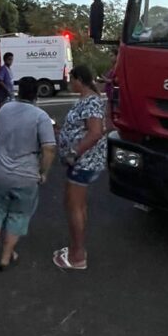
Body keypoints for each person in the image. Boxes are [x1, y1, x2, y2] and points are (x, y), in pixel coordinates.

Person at [0, 76, 57, 273]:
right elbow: (49, 148)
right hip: (25, 176)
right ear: (36, 94)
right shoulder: (41, 117)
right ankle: (6, 258)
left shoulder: (4, 109)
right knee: (18, 215)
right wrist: (43, 172)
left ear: (18, 91)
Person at [53, 65, 107, 271]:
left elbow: (95, 132)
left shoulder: (91, 101)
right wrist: (60, 131)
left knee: (73, 206)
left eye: (71, 79)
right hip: (82, 162)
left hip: (83, 163)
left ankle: (77, 256)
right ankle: (77, 248)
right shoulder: (87, 99)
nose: (69, 83)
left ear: (79, 80)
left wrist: (73, 152)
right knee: (78, 205)